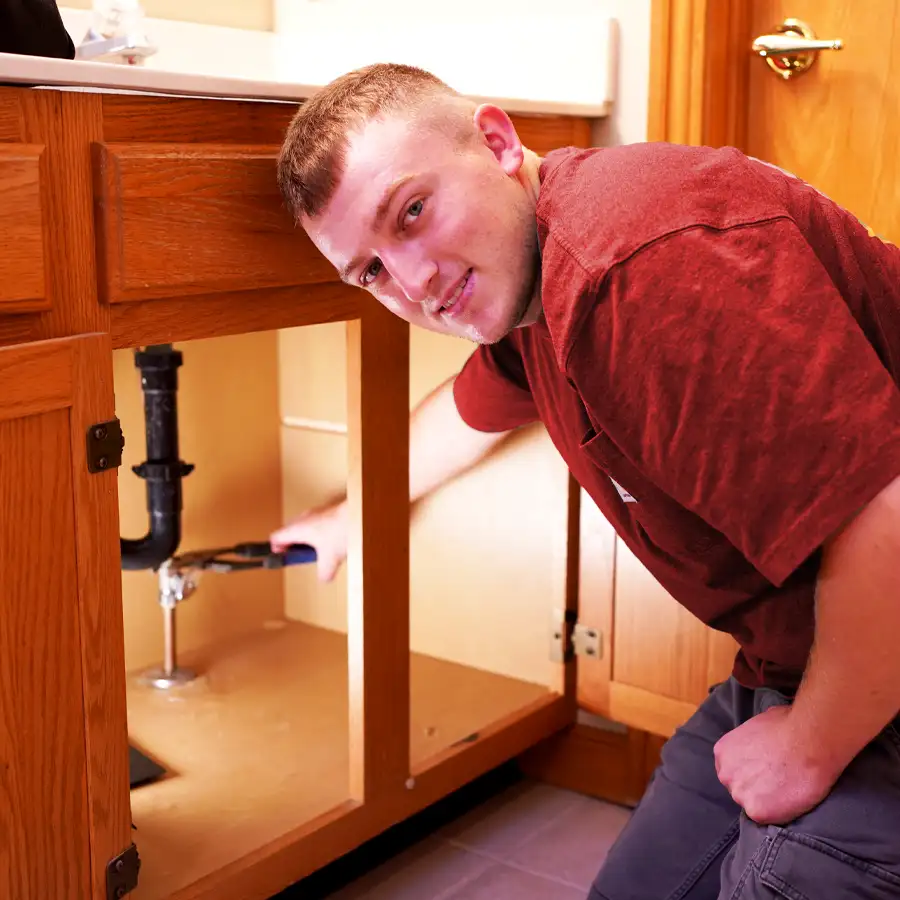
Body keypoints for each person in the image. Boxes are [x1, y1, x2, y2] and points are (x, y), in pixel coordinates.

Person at [271, 62, 900, 899]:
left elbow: (888, 517)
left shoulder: (639, 269)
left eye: (412, 212)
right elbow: (463, 418)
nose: (414, 282)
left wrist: (810, 749)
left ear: (497, 142)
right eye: (372, 271)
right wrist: (354, 514)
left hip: (877, 638)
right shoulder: (535, 284)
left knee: (776, 883)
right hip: (806, 655)